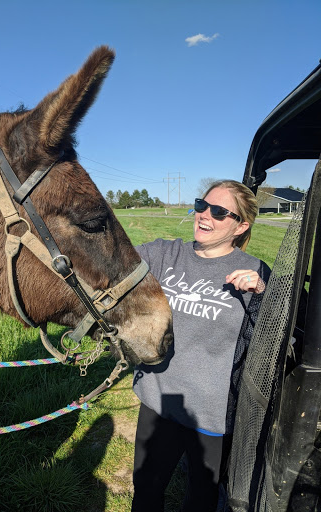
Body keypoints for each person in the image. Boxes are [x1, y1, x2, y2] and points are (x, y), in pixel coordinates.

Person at [131, 180, 271, 512]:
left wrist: (262, 296)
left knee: (201, 500)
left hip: (212, 413)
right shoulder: (165, 253)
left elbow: (276, 336)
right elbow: (111, 262)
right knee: (146, 489)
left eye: (220, 212)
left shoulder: (254, 272)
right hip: (159, 397)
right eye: (201, 205)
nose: (205, 215)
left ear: (241, 225)